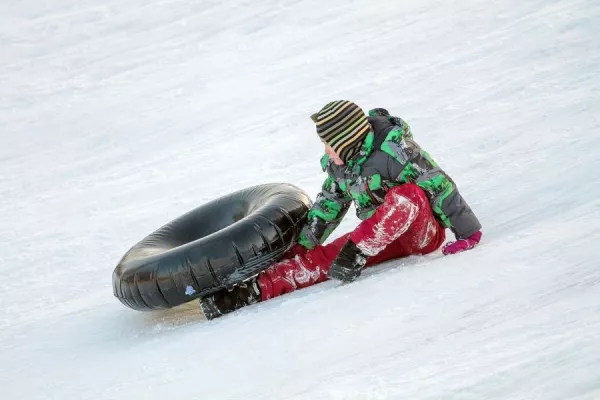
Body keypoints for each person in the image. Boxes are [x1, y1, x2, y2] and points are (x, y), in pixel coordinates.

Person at [200, 101, 482, 319]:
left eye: (328, 143)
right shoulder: (341, 167)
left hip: (421, 232)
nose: (325, 150)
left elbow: (438, 184)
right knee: (324, 259)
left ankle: (358, 251)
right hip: (376, 239)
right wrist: (301, 247)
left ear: (347, 139)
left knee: (407, 195)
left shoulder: (396, 151)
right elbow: (328, 207)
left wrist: (467, 232)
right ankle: (244, 294)